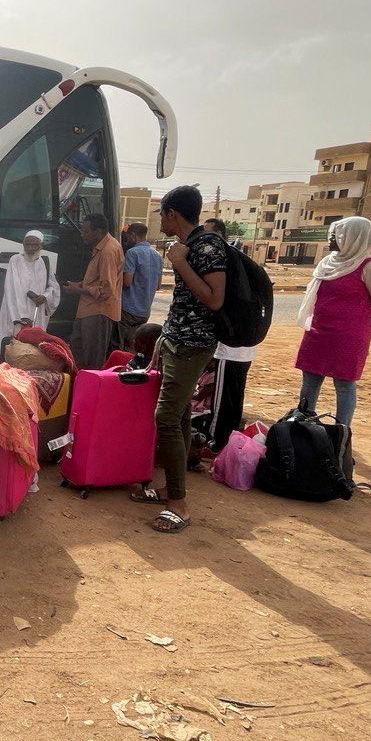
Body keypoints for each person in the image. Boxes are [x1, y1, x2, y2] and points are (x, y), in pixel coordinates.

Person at [131, 185, 226, 534]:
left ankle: (179, 505)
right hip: (175, 342)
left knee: (167, 420)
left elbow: (214, 299)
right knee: (181, 416)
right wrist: (162, 340)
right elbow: (182, 304)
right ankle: (172, 489)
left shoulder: (207, 247)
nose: (162, 222)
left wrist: (180, 262)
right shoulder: (189, 247)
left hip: (194, 346)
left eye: (163, 216)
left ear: (173, 214)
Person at [294, 216, 371, 429]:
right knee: (310, 382)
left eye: (336, 235)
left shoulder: (370, 267)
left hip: (348, 339)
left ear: (353, 238)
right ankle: (302, 428)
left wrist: (363, 334)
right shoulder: (328, 263)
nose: (331, 239)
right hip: (318, 332)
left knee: (344, 385)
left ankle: (341, 434)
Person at [202, 218, 256, 451]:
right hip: (244, 343)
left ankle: (215, 443)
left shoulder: (225, 263)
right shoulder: (239, 259)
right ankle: (231, 439)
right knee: (234, 396)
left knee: (222, 399)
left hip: (230, 347)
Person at [61, 213, 124, 371]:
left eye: (85, 231)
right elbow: (96, 279)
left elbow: (106, 289)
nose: (82, 235)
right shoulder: (102, 247)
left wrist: (78, 290)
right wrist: (80, 284)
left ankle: (91, 393)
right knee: (77, 354)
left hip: (98, 312)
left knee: (93, 361)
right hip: (88, 310)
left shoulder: (108, 251)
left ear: (98, 232)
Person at [0, 230, 61, 362]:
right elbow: (12, 289)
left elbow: (54, 286)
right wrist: (22, 316)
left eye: (34, 245)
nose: (30, 248)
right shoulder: (15, 260)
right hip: (15, 311)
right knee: (12, 342)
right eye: (27, 245)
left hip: (36, 310)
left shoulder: (44, 262)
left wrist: (45, 297)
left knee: (33, 345)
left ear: (41, 246)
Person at [118, 222, 164, 351]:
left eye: (127, 237)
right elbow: (158, 286)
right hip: (144, 311)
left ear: (133, 235)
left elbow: (127, 282)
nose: (127, 240)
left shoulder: (132, 253)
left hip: (127, 310)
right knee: (134, 345)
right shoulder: (158, 256)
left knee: (120, 345)